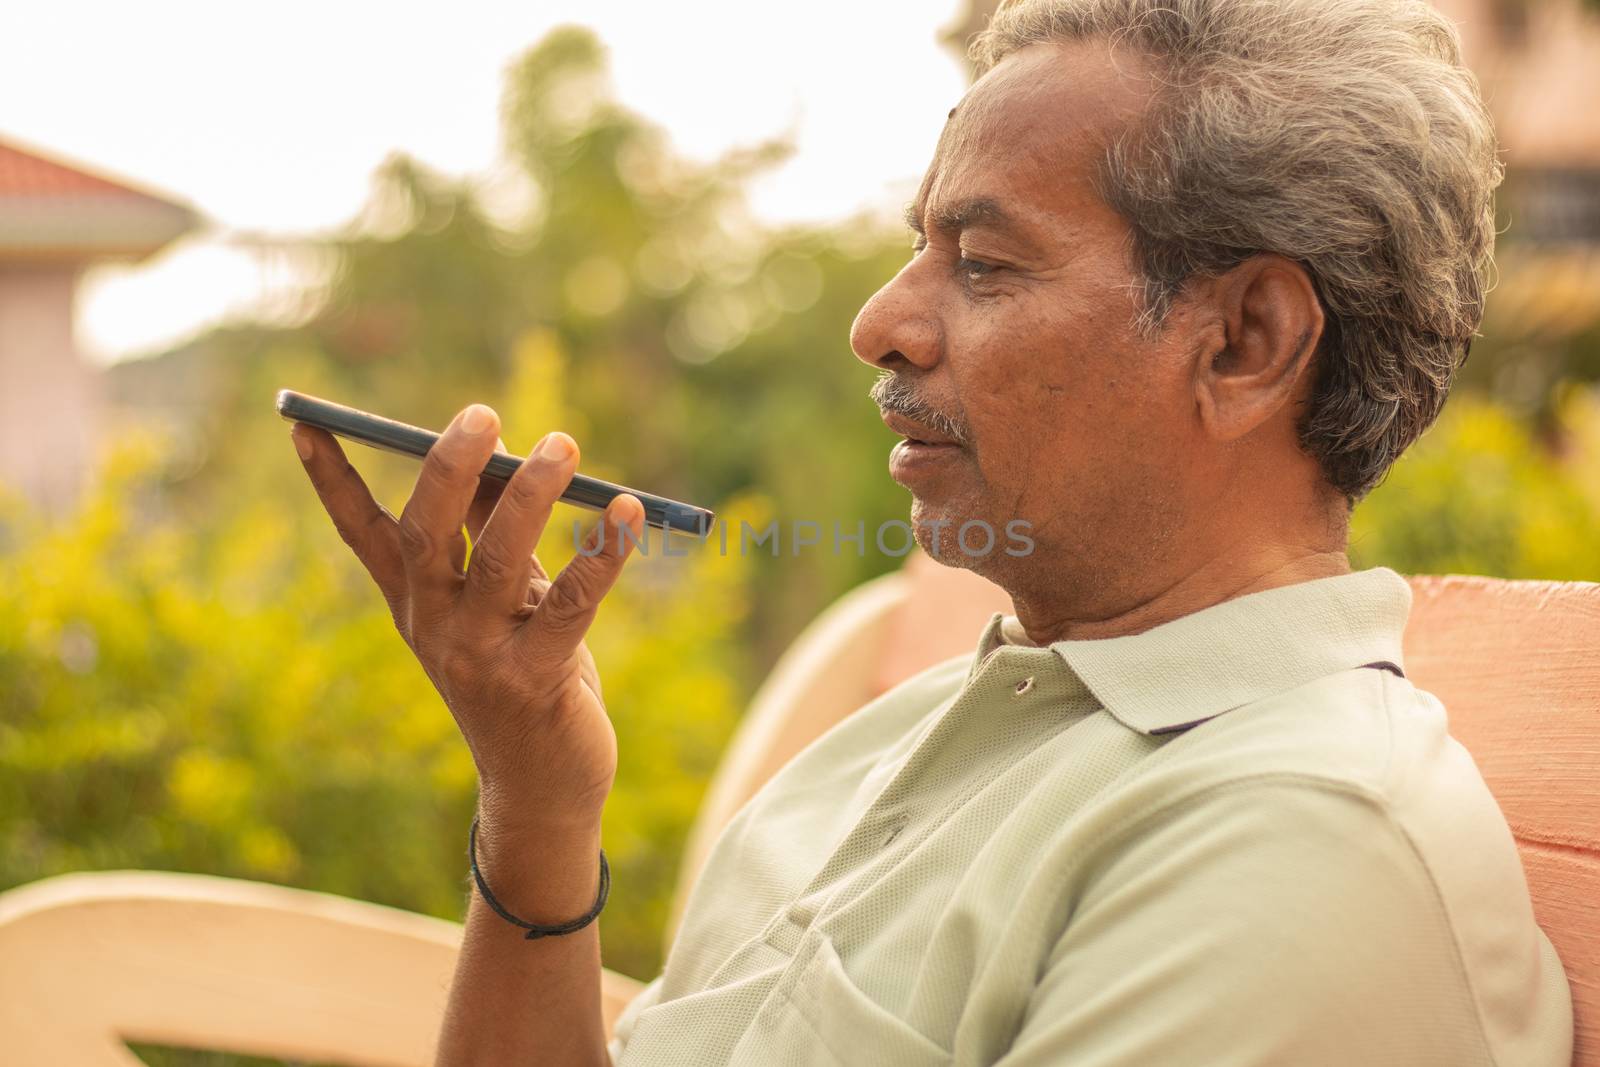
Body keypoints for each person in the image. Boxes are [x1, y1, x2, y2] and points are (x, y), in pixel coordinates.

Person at [289, 0, 1575, 1062]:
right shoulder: (920, 730)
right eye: (921, 246)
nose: (880, 324)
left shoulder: (1301, 848)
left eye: (986, 263)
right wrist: (536, 796)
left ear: (1244, 342)